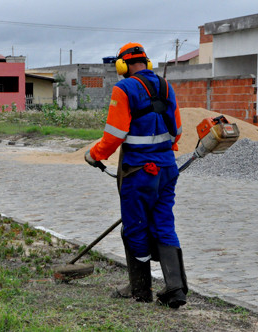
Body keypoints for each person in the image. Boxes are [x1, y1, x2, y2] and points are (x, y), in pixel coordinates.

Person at [84, 42, 187, 308]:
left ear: (123, 65)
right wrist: (162, 151)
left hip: (139, 173)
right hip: (166, 169)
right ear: (146, 62)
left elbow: (115, 135)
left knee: (134, 227)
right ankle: (176, 288)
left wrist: (95, 155)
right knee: (164, 224)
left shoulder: (124, 88)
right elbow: (176, 132)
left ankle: (140, 290)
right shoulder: (166, 86)